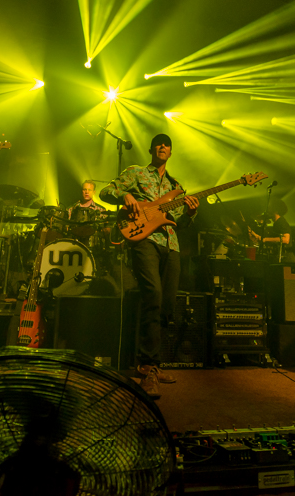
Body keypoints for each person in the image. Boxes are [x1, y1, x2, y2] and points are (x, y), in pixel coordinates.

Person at [99, 133, 198, 399]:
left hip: (171, 244)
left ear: (171, 151)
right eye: (159, 143)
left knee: (167, 303)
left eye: (167, 143)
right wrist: (126, 196)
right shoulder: (137, 173)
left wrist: (190, 213)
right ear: (152, 149)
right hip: (144, 239)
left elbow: (180, 224)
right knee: (152, 293)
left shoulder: (176, 186)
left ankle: (155, 363)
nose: (163, 146)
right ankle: (147, 366)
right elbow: (106, 191)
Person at [249, 198, 295, 262]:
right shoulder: (277, 223)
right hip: (280, 257)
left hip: (285, 259)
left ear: (276, 210)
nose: (267, 209)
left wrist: (265, 239)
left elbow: (285, 239)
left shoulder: (281, 222)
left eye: (270, 207)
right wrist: (257, 237)